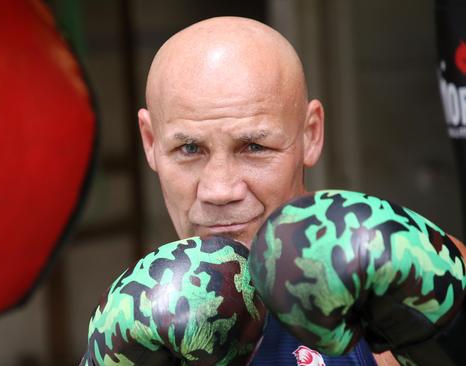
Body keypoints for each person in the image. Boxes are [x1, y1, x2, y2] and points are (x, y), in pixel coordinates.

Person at [136, 16, 399, 366]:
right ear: (151, 142)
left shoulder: (385, 299)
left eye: (254, 147)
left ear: (311, 134)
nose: (219, 190)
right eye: (189, 149)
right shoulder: (136, 327)